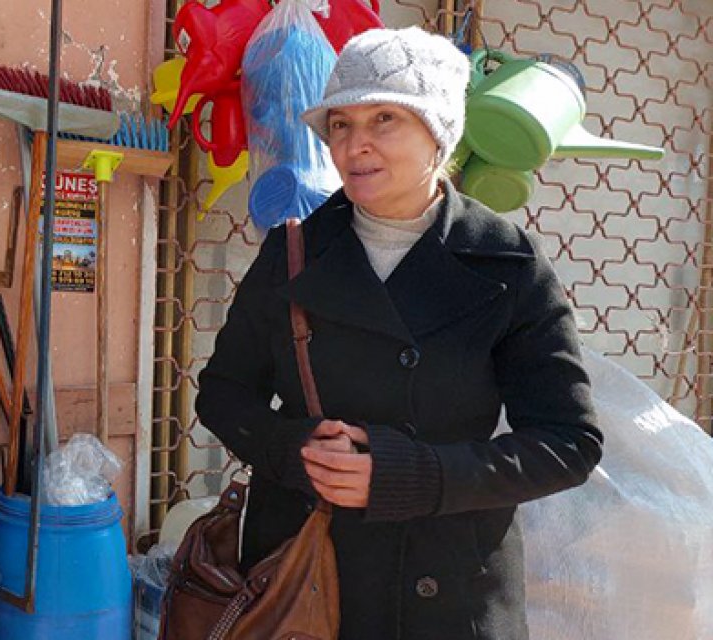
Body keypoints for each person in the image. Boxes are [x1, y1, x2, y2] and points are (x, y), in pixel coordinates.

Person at [196, 27, 603, 640]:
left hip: (450, 584)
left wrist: (417, 476)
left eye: (384, 118)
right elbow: (223, 393)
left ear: (439, 131)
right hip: (308, 580)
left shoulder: (509, 262)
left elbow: (568, 442)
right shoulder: (292, 253)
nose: (354, 143)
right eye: (340, 123)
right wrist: (291, 448)